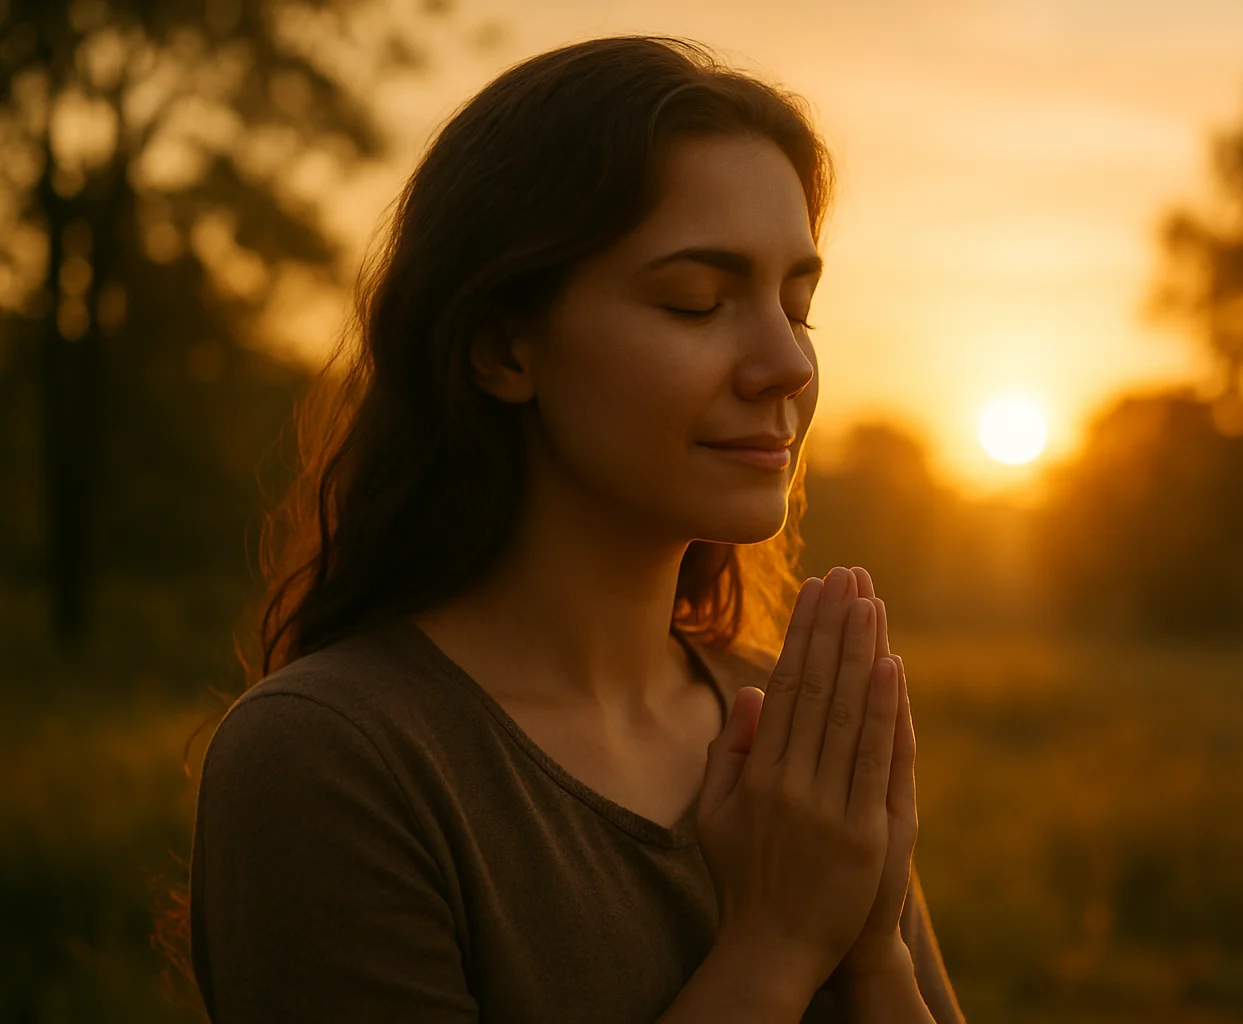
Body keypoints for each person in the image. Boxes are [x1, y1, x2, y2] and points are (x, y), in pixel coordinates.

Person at [187, 34, 965, 1023]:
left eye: (798, 305)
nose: (788, 364)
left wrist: (871, 951)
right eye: (698, 302)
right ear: (504, 349)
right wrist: (776, 944)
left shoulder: (792, 725)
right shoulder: (332, 758)